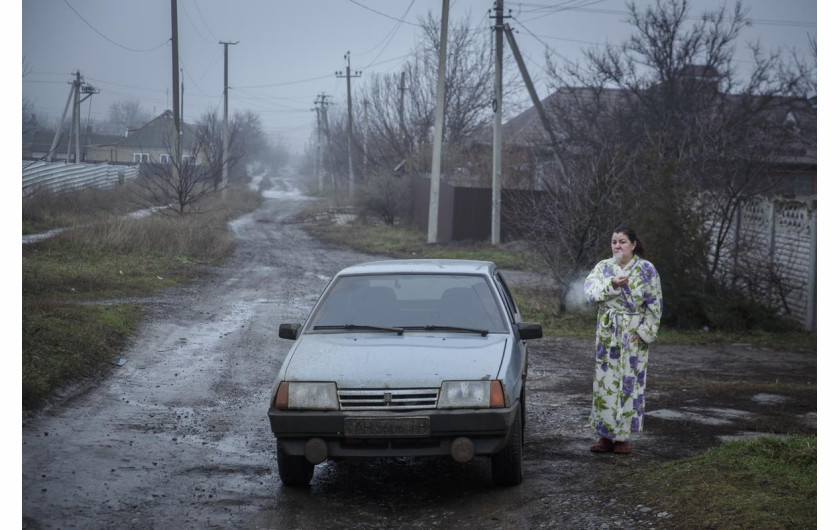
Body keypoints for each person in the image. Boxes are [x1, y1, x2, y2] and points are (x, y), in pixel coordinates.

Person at [583, 226, 663, 454]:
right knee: (605, 383)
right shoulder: (603, 267)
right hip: (608, 333)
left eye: (622, 242)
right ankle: (604, 436)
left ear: (633, 244)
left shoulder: (647, 270)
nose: (617, 246)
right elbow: (589, 292)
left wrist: (644, 332)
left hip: (632, 334)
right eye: (614, 242)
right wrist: (612, 285)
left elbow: (655, 304)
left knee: (630, 383)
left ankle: (623, 437)